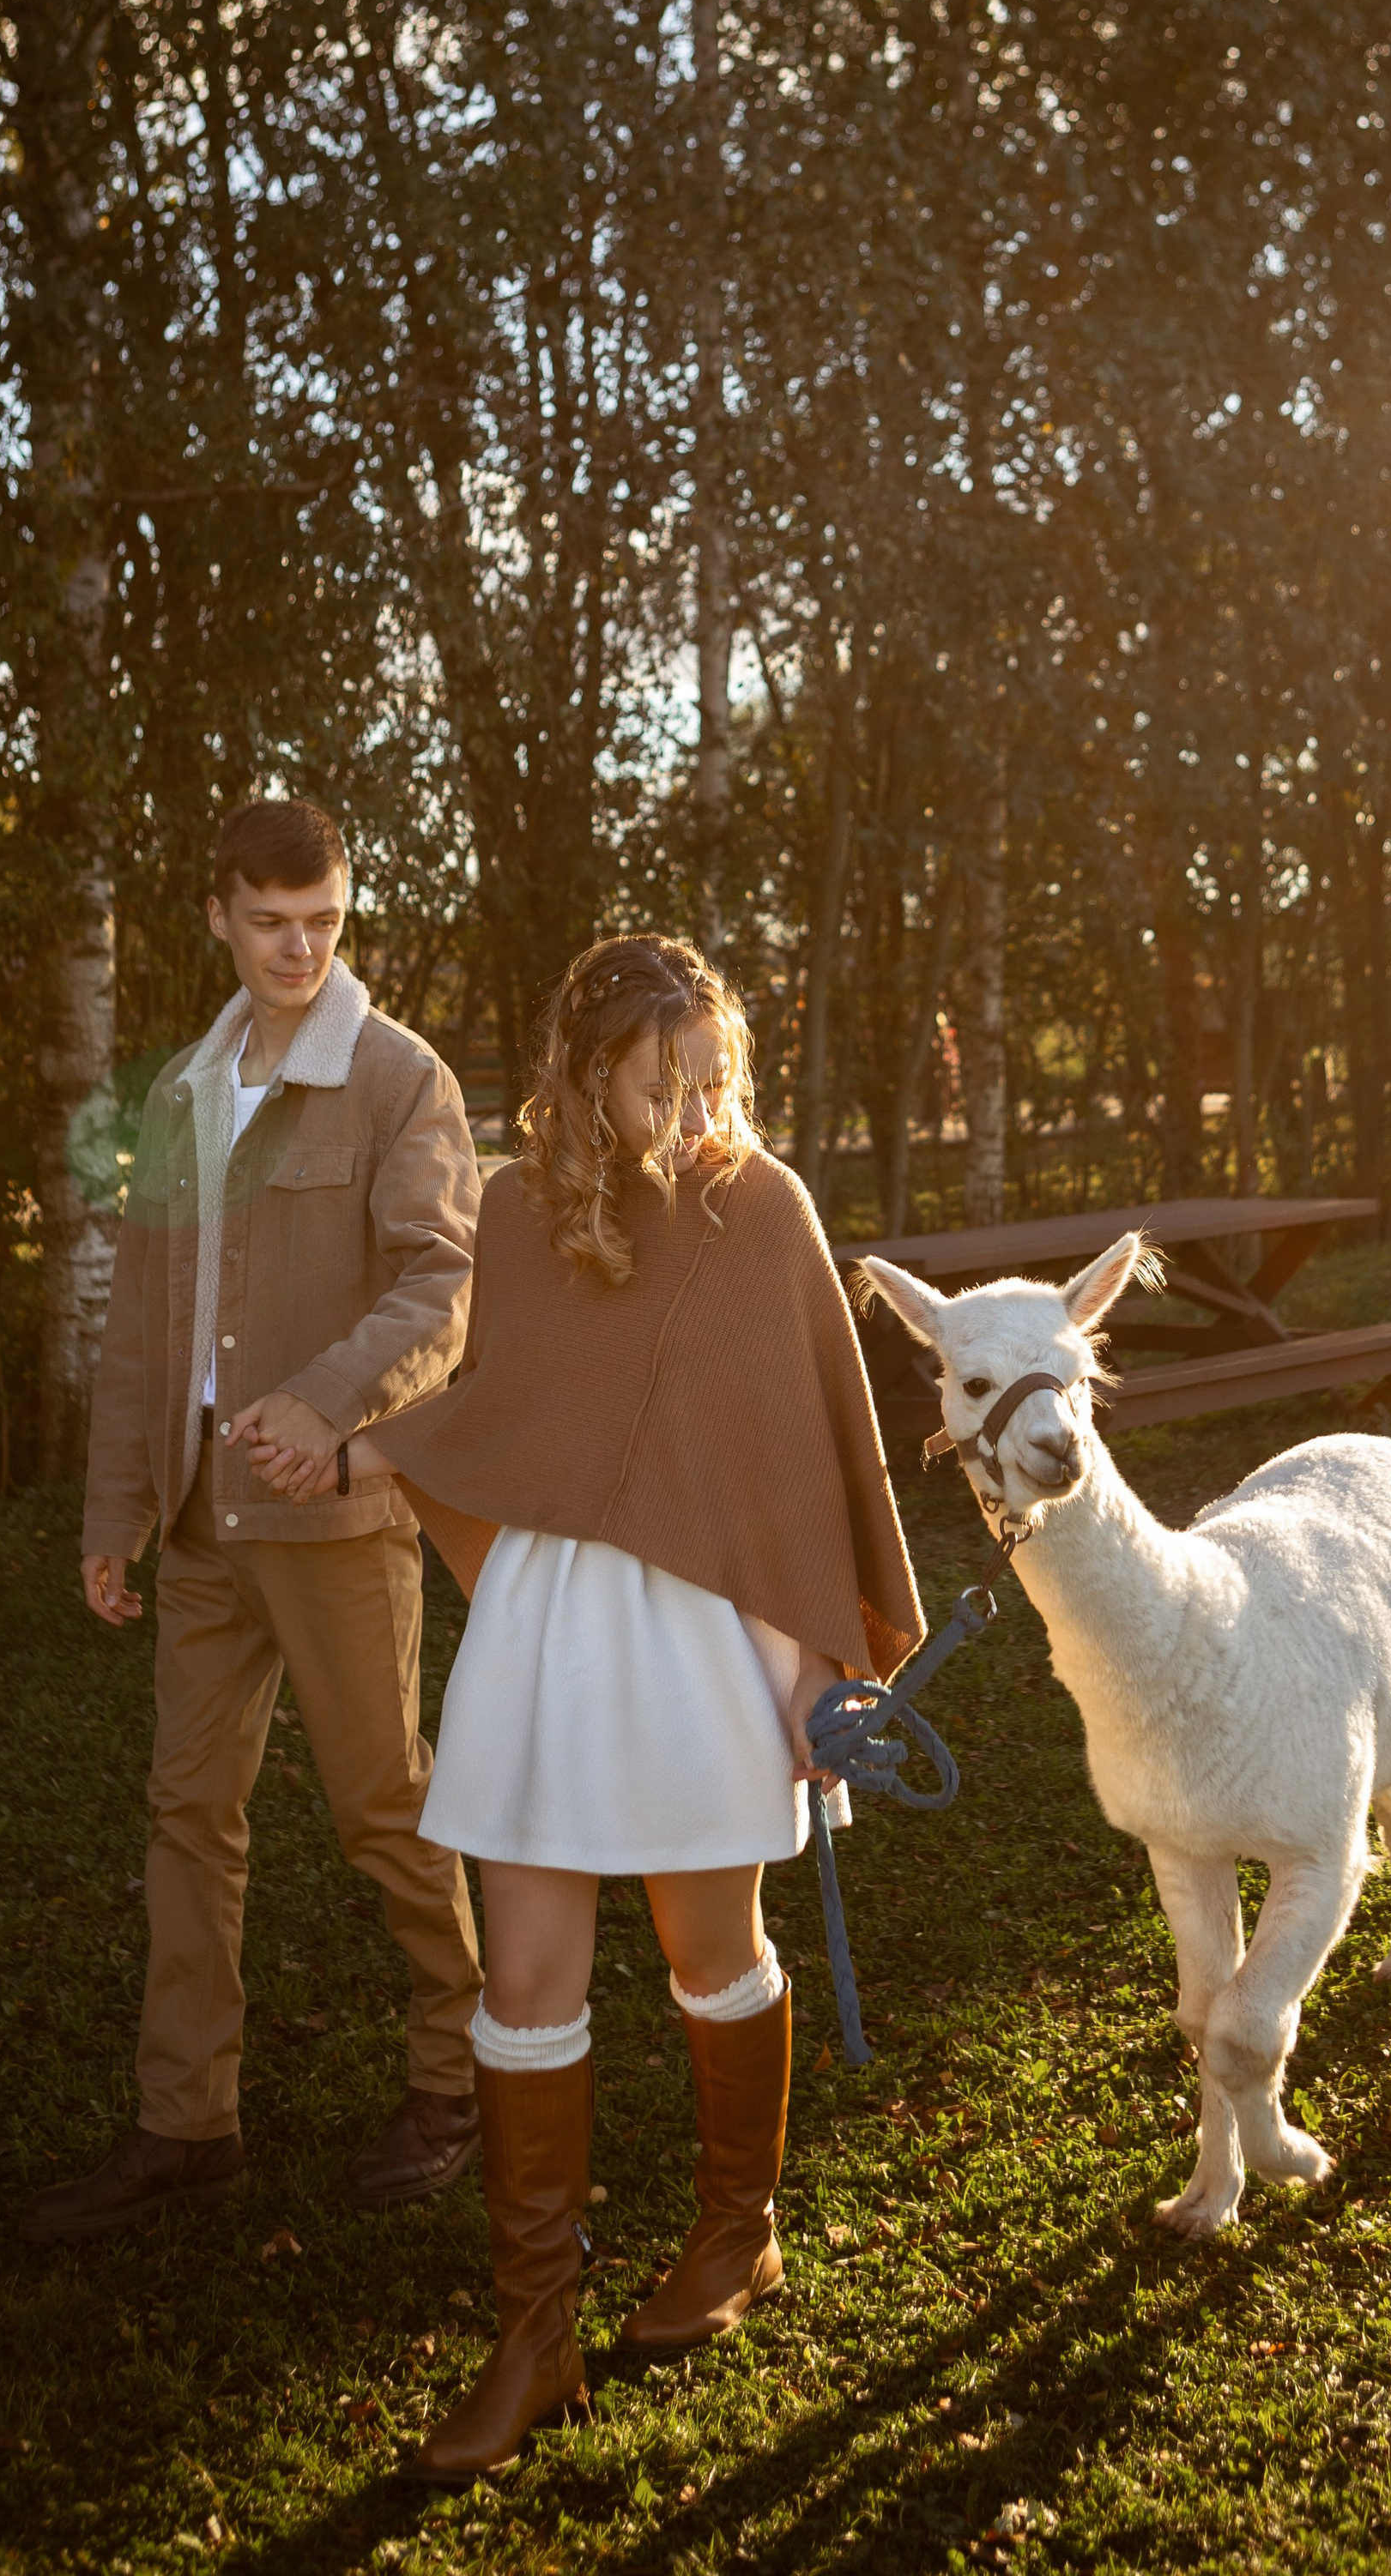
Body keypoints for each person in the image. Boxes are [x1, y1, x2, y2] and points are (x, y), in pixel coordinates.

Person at [249, 932, 922, 2479]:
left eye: (710, 1080)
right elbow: (510, 1421)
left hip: (704, 1630)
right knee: (528, 1975)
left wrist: (826, 1655)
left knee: (712, 1948)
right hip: (555, 1633)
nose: (690, 1112)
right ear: (585, 1074)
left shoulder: (764, 1206)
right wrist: (355, 1446)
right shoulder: (516, 1212)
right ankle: (533, 2332)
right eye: (654, 1083)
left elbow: (807, 1439)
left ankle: (736, 2237)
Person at [17, 799, 487, 2245]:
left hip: (334, 1516)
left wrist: (325, 1404)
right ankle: (187, 2124)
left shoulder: (401, 1078)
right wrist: (118, 1510)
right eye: (273, 923)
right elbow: (148, 1334)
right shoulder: (180, 1093)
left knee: (382, 1808)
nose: (301, 948)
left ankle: (459, 2082)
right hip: (202, 1525)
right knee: (187, 1818)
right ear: (216, 916)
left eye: (326, 922)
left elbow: (439, 1283)